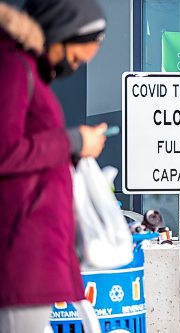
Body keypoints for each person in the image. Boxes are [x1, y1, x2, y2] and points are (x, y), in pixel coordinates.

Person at [0, 0, 108, 332]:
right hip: (19, 255)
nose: (72, 69)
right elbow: (5, 151)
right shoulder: (14, 67)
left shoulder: (25, 68)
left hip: (29, 251)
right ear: (61, 34)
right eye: (75, 58)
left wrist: (74, 149)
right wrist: (74, 141)